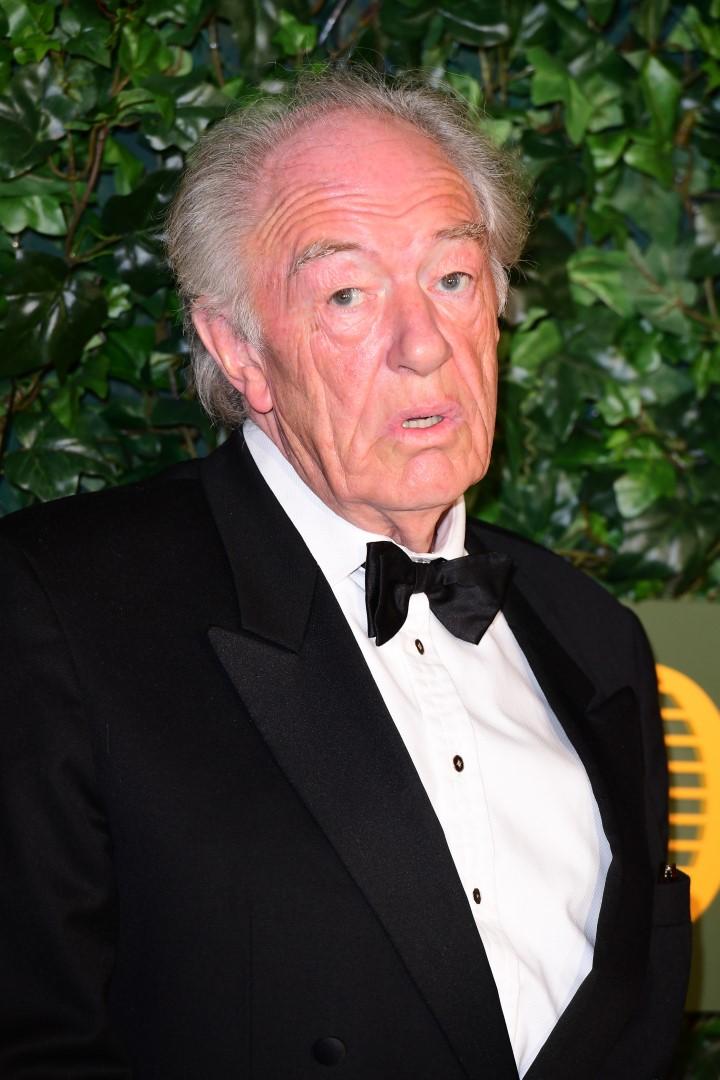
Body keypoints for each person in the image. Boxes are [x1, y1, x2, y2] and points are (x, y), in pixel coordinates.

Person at [0, 69, 690, 1079]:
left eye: (452, 279)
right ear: (238, 349)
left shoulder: (594, 636)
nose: (425, 347)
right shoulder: (60, 610)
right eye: (349, 295)